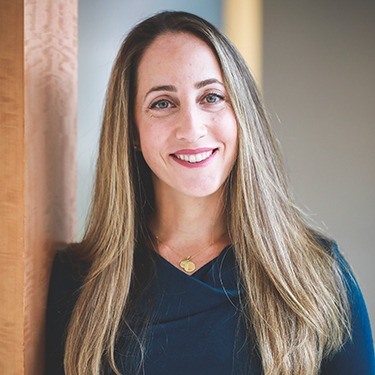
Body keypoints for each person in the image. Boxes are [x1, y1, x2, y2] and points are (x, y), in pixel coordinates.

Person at [45, 10, 375, 375]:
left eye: (212, 97)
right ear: (132, 132)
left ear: (241, 114)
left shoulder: (318, 274)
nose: (191, 128)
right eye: (162, 103)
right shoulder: (77, 280)